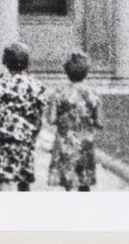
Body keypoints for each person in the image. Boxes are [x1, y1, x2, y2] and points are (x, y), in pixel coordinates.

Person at [0, 41, 46, 191]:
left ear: (4, 61)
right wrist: (35, 133)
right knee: (23, 177)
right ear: (26, 63)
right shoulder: (35, 85)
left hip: (0, 139)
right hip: (24, 138)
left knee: (4, 179)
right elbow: (38, 114)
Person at [44, 51, 104, 192]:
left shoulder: (58, 93)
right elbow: (99, 122)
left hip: (65, 141)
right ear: (86, 72)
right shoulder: (93, 94)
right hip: (85, 142)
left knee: (67, 181)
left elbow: (51, 119)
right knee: (84, 182)